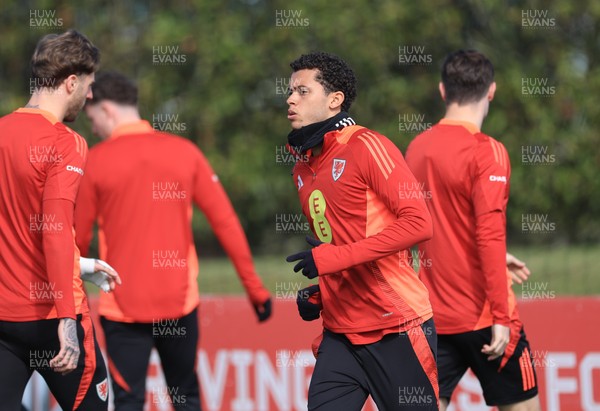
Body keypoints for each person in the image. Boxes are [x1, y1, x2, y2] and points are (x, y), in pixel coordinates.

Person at [74, 71, 272, 410]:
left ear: (106, 110)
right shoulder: (185, 152)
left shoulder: (95, 161)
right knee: (187, 398)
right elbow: (225, 222)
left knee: (127, 402)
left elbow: (77, 240)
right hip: (179, 305)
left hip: (121, 307)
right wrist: (255, 289)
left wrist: (67, 302)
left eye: (92, 119)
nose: (93, 130)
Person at [285, 52, 438, 410]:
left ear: (334, 99)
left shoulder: (367, 145)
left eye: (303, 91)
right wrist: (323, 293)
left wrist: (331, 259)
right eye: (290, 91)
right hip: (340, 337)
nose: (290, 99)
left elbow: (419, 223)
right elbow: (343, 247)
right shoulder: (302, 170)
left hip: (396, 327)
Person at [405, 49, 541, 410]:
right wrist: (501, 315)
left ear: (441, 90)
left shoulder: (415, 149)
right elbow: (488, 234)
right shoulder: (488, 152)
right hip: (486, 318)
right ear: (491, 91)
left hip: (433, 317)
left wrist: (497, 257)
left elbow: (422, 228)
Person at [0, 30, 110, 410]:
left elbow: (16, 232)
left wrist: (82, 264)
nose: (91, 96)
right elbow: (55, 228)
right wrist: (66, 318)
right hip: (54, 318)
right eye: (90, 86)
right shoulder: (66, 142)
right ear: (72, 82)